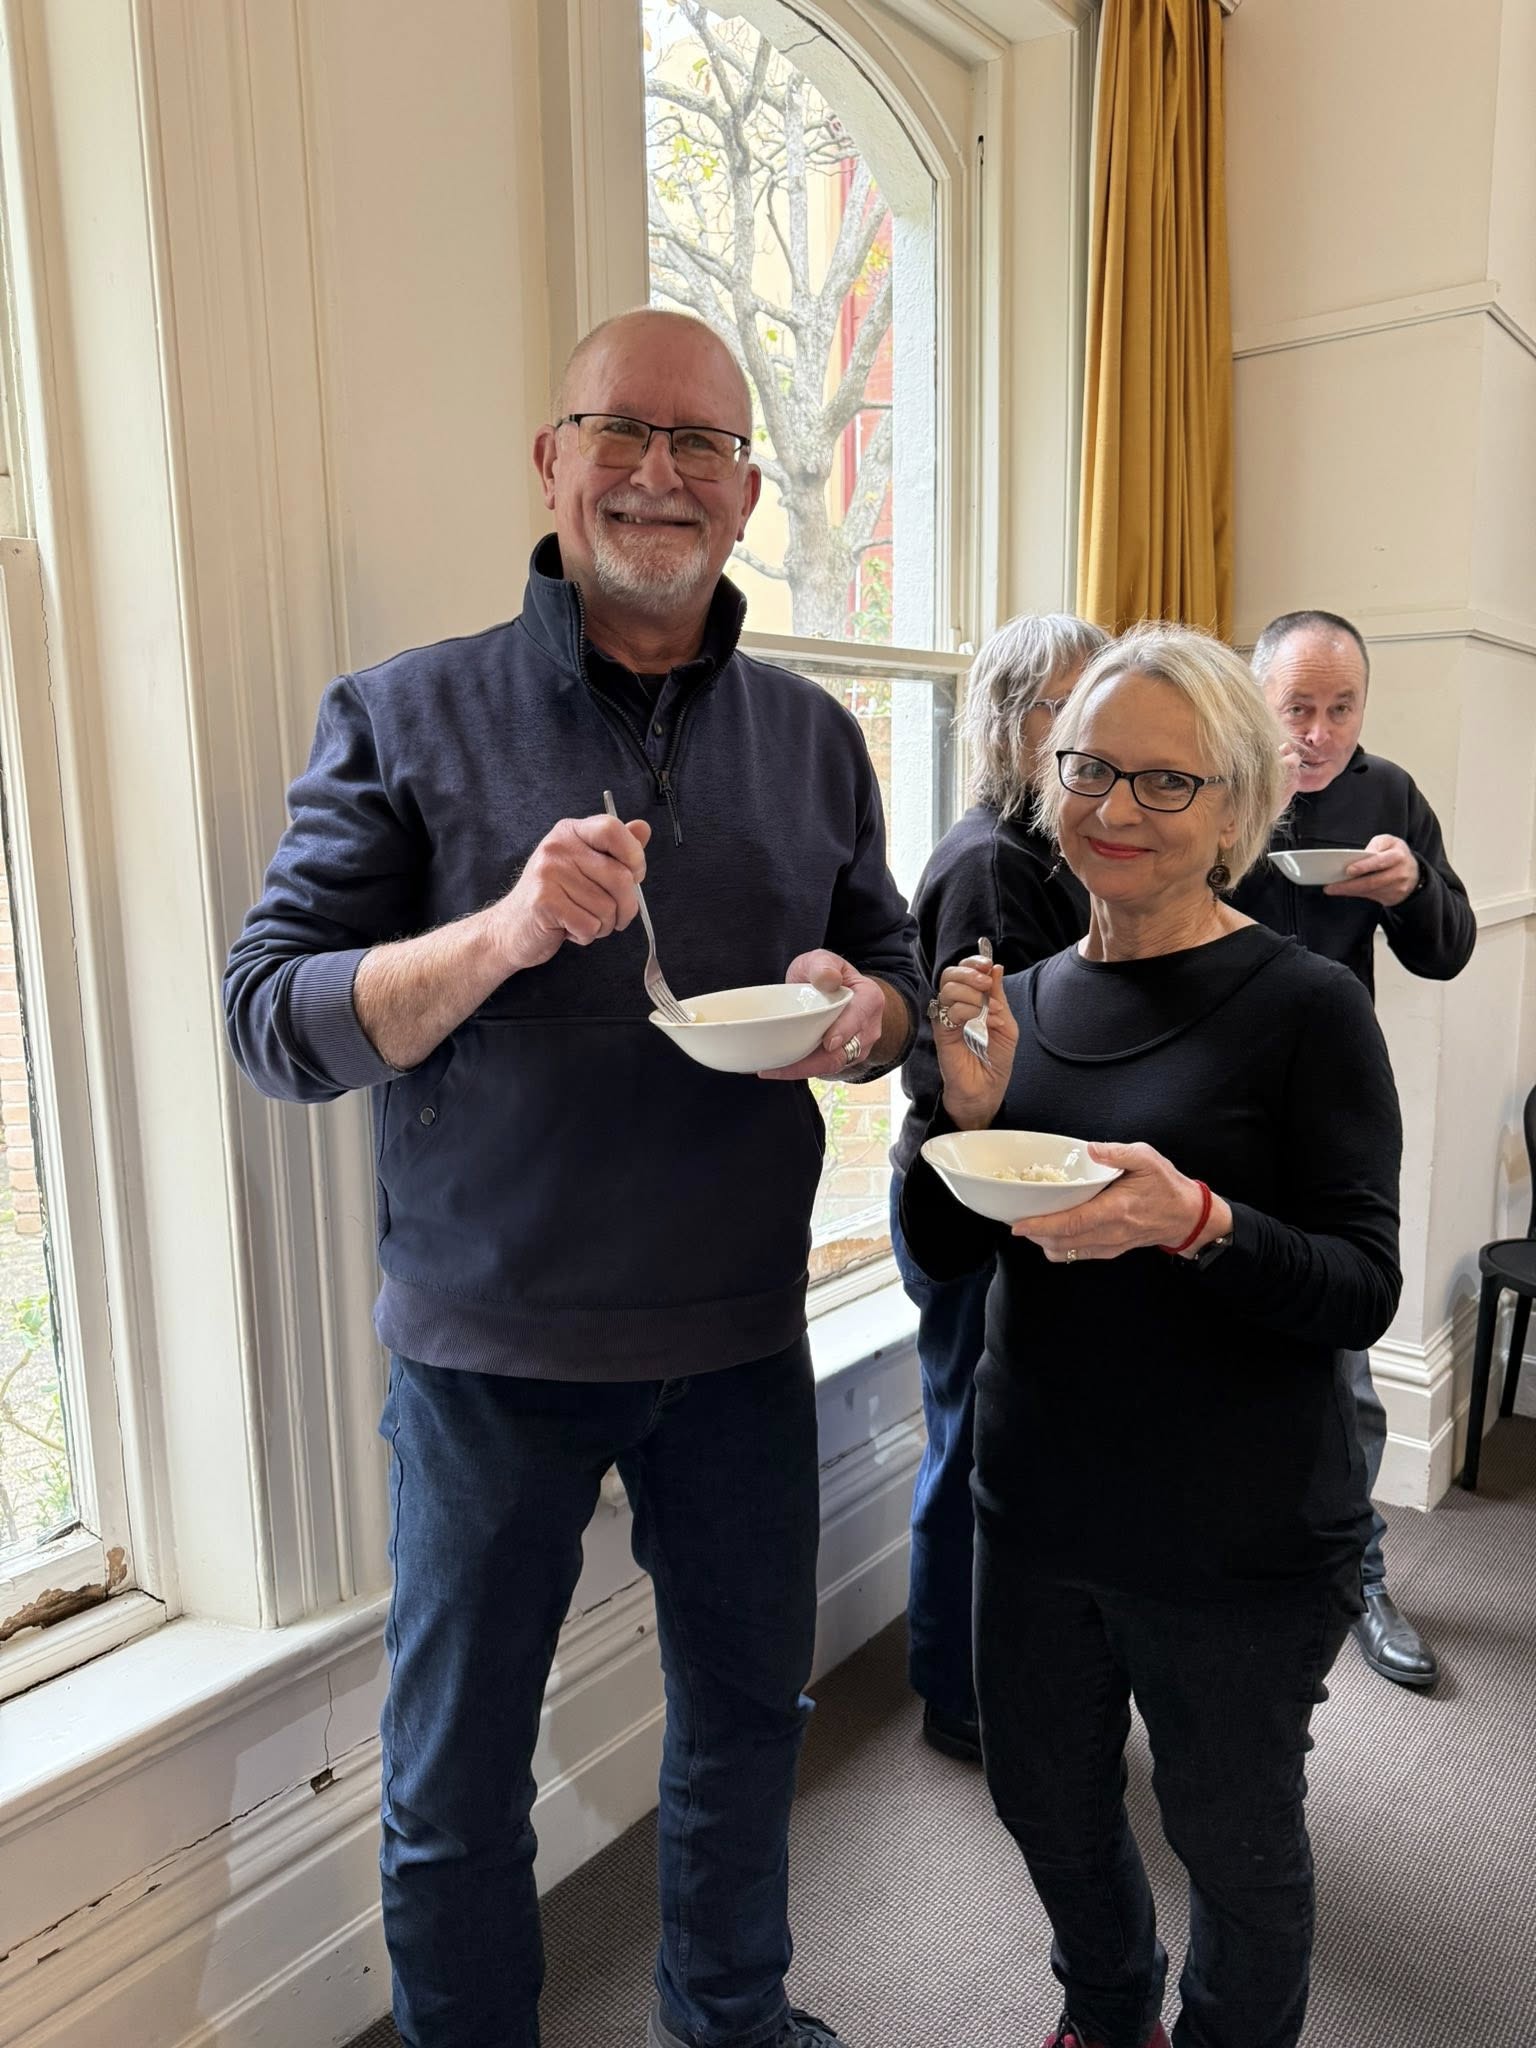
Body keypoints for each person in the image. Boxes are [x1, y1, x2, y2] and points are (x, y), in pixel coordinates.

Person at [224, 308, 920, 2048]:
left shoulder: (814, 739)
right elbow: (273, 1017)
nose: (659, 472)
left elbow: (892, 968)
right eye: (622, 429)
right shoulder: (402, 711)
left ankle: (728, 2015)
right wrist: (504, 930)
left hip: (740, 1337)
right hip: (488, 1352)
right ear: (552, 461)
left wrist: (865, 1013)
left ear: (747, 492)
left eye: (703, 444)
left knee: (747, 1719)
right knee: (457, 1775)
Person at [902, 625, 1402, 2048]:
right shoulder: (1022, 1003)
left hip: (1237, 1534)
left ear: (1239, 808)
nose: (1115, 809)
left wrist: (1200, 1222)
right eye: (1089, 769)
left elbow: (1361, 1286)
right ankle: (1109, 2004)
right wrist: (960, 1112)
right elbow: (942, 1256)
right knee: (1044, 1797)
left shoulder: (1306, 1010)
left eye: (1165, 782)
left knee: (1231, 1843)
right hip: (1037, 1507)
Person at [1234, 607, 1475, 1690]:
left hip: (1337, 1111)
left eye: (1341, 709)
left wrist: (1413, 888)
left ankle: (1359, 1575)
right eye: (1298, 708)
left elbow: (1449, 949)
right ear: (1257, 701)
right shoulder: (1212, 776)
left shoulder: (1389, 797)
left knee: (1347, 1370)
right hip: (1214, 1106)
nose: (1319, 733)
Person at [889, 613, 1105, 1765]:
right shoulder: (990, 862)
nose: (1088, 735)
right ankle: (955, 1690)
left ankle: (1006, 1671)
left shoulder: (1055, 848)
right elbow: (985, 1067)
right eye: (1064, 708)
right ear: (1009, 722)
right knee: (971, 1448)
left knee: (1009, 1448)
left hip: (1021, 1186)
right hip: (969, 1195)